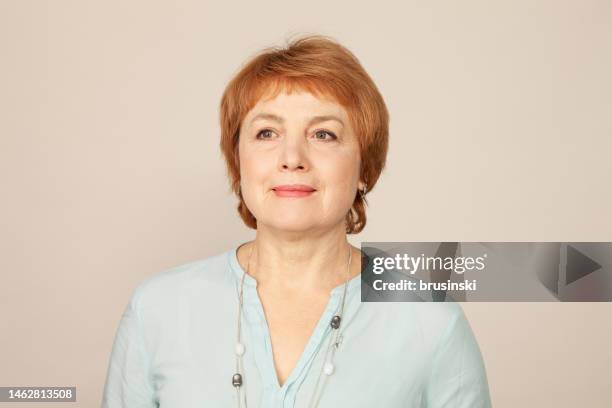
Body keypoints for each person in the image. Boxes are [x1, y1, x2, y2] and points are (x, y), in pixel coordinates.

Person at [101, 34, 492, 408]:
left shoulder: (431, 321)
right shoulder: (156, 309)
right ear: (238, 162)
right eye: (266, 132)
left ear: (364, 169)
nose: (292, 157)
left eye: (323, 134)